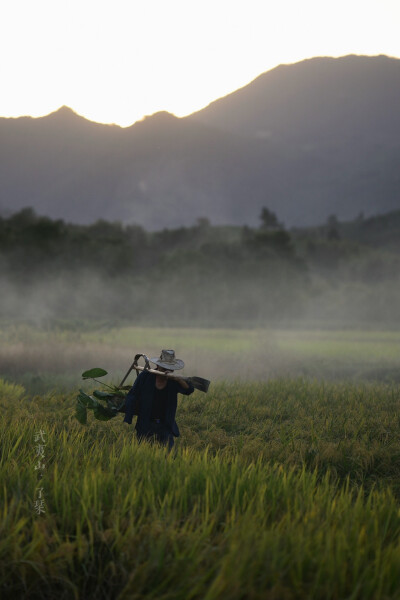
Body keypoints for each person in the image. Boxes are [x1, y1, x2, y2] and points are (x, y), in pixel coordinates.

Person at [123, 349, 194, 450]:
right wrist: (128, 418)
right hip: (146, 424)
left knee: (169, 456)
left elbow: (189, 390)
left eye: (170, 368)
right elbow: (132, 395)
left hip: (165, 426)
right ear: (158, 365)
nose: (167, 370)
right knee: (143, 455)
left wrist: (178, 379)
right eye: (164, 367)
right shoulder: (146, 376)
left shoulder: (174, 381)